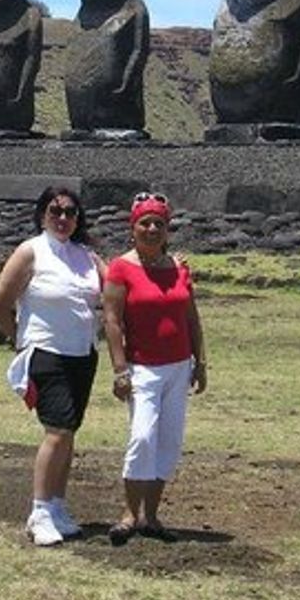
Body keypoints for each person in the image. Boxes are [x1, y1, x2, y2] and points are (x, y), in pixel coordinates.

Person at [0, 186, 104, 546]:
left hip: (82, 354)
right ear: (42, 214)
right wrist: (21, 341)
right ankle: (39, 510)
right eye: (55, 211)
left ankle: (57, 505)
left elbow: (120, 280)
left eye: (71, 212)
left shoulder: (86, 256)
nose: (63, 218)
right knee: (56, 431)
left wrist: (166, 263)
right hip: (46, 352)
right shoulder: (30, 252)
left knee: (68, 431)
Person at [102, 192, 207, 544]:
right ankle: (130, 512)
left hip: (179, 366)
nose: (151, 229)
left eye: (158, 224)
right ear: (133, 228)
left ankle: (152, 515)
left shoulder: (178, 268)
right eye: (145, 223)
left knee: (169, 441)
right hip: (143, 368)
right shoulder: (121, 268)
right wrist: (119, 370)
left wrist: (200, 362)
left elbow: (191, 318)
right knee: (142, 436)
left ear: (167, 230)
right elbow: (113, 321)